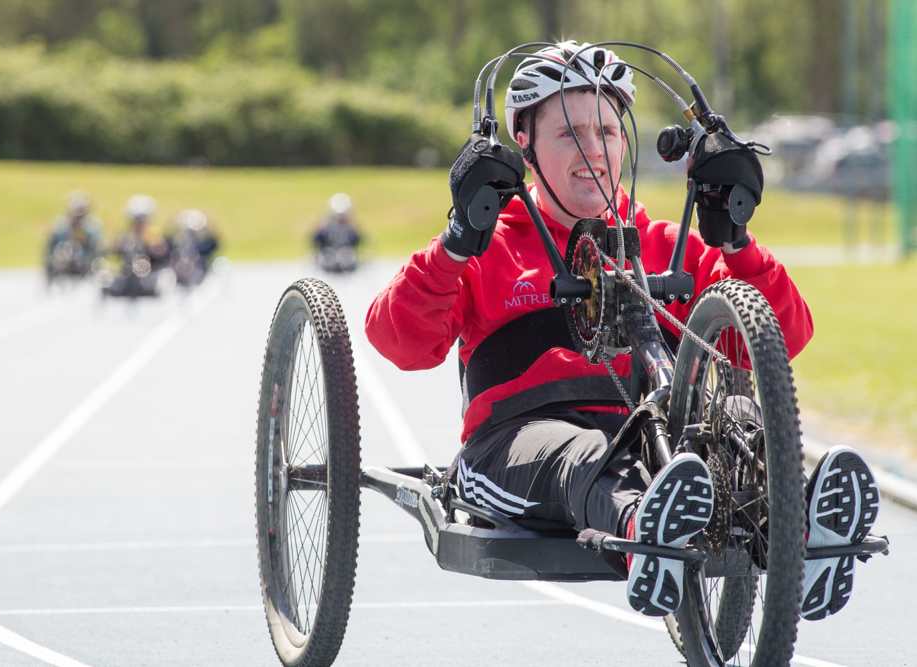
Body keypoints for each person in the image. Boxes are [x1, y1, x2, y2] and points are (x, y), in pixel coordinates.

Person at [365, 41, 879, 620]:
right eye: (571, 134)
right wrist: (458, 238)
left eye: (607, 131)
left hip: (653, 439)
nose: (595, 151)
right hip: (516, 444)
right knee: (583, 453)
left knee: (737, 416)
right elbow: (399, 342)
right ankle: (647, 536)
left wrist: (734, 238)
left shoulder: (662, 247)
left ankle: (803, 534)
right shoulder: (492, 246)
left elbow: (779, 338)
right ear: (524, 147)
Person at [44, 191, 103, 281]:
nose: (78, 218)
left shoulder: (92, 228)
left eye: (81, 213)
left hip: (86, 264)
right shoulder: (61, 227)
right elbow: (50, 249)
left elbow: (97, 251)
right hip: (63, 264)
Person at [168, 209, 220, 285]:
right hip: (180, 277)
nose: (190, 235)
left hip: (199, 274)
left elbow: (215, 244)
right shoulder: (177, 246)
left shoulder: (204, 246)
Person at [313, 193, 362, 272]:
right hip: (328, 255)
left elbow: (356, 241)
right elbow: (317, 241)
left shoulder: (350, 228)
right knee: (327, 256)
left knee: (346, 255)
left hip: (346, 257)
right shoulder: (325, 227)